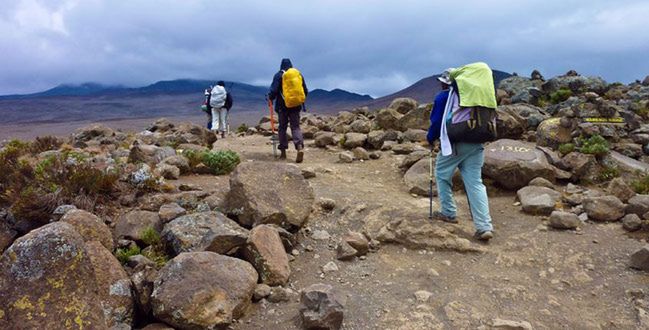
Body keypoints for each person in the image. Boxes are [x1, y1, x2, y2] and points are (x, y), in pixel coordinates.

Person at [427, 69, 495, 241]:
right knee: (475, 183)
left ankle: (448, 212)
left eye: (442, 81)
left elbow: (436, 122)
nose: (441, 84)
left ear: (447, 83)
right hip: (476, 142)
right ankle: (484, 226)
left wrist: (430, 139)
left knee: (442, 175)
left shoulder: (444, 97)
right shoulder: (476, 97)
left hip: (455, 143)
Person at [268, 58, 308, 163]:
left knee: (282, 127)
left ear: (281, 66)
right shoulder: (297, 74)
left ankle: (283, 153)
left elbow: (274, 90)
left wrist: (270, 97)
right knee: (295, 127)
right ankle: (299, 146)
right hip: (295, 106)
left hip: (282, 106)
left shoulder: (278, 75)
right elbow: (305, 90)